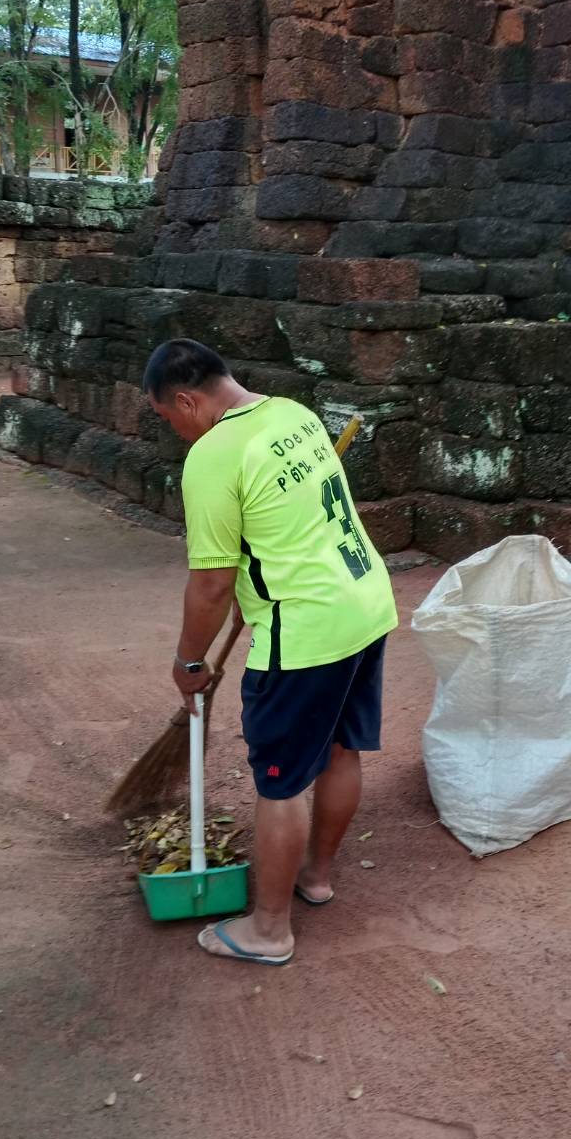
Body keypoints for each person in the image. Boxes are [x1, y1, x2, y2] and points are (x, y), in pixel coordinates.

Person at [143, 337, 398, 965]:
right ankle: (316, 876)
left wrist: (189, 663)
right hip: (365, 603)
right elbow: (291, 521)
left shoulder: (212, 457)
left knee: (279, 784)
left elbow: (209, 585)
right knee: (341, 749)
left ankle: (270, 929)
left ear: (185, 399)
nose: (175, 432)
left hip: (306, 634)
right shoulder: (293, 413)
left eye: (168, 418)